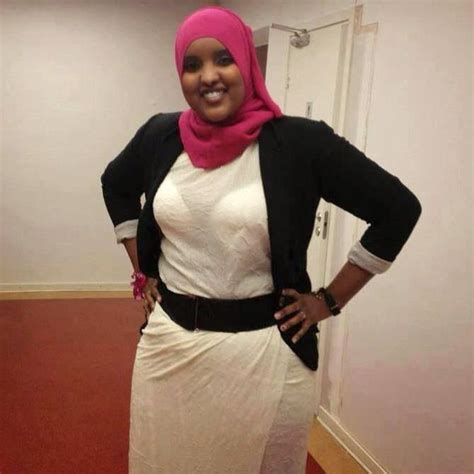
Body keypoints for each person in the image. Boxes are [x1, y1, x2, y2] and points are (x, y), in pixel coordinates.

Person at [101, 6, 421, 474]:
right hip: (169, 351)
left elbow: (398, 210)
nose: (208, 76)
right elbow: (116, 185)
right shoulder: (160, 135)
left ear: (247, 63)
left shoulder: (300, 143)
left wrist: (328, 301)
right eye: (192, 65)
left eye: (224, 59)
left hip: (267, 355)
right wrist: (142, 270)